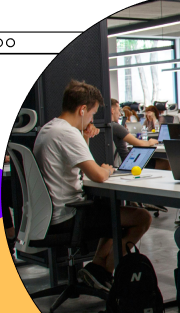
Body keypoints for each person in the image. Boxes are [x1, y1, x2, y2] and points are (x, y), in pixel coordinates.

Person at [33, 80, 152, 290]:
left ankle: (97, 268)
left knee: (110, 211)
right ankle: (103, 270)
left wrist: (85, 138)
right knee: (142, 217)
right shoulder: (67, 133)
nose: (92, 119)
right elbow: (97, 175)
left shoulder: (50, 128)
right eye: (92, 114)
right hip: (67, 215)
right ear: (82, 109)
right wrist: (107, 170)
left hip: (50, 213)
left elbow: (78, 164)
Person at [110, 98, 157, 162]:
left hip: (125, 161)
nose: (120, 114)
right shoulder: (116, 127)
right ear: (112, 110)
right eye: (118, 110)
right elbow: (139, 144)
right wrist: (150, 142)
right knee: (165, 163)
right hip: (129, 162)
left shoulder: (105, 126)